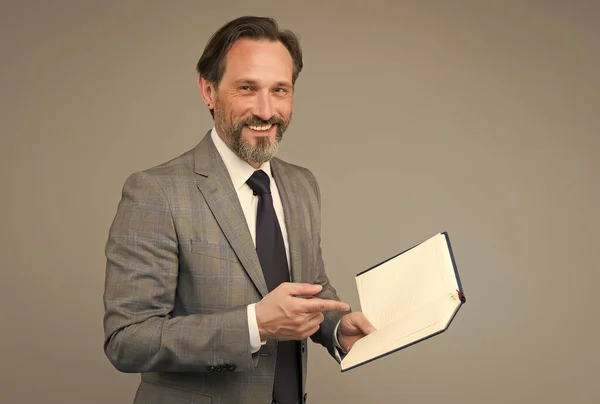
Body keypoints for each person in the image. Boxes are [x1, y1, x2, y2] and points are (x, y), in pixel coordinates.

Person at [102, 15, 375, 404]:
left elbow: (311, 284)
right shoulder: (155, 191)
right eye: (247, 88)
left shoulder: (302, 185)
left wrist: (334, 327)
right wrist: (255, 325)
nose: (266, 111)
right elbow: (128, 340)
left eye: (280, 90)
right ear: (208, 91)